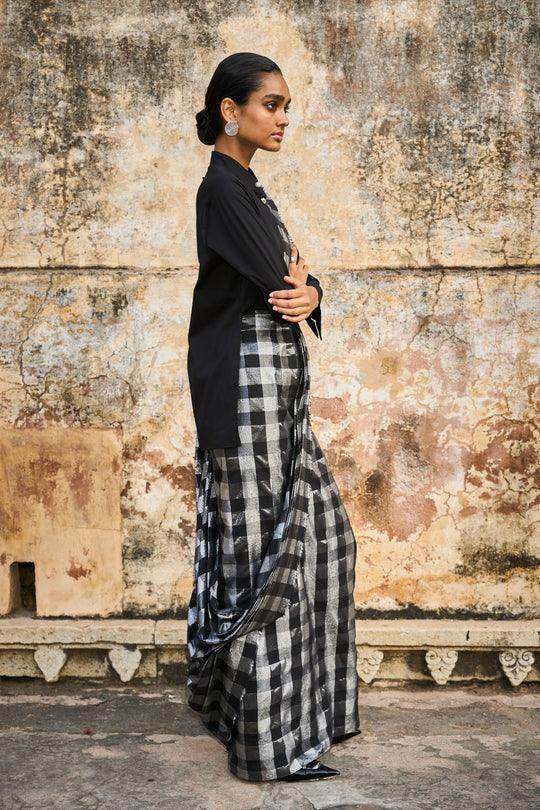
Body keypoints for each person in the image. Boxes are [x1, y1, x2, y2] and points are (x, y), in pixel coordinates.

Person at [186, 52, 360, 783]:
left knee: (319, 540)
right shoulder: (224, 189)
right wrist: (302, 283)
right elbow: (278, 274)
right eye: (271, 104)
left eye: (286, 105)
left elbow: (297, 283)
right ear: (231, 112)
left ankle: (290, 716)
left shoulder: (248, 189)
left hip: (273, 396)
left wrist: (311, 289)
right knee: (266, 560)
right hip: (245, 396)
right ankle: (270, 742)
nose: (283, 118)